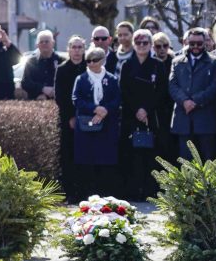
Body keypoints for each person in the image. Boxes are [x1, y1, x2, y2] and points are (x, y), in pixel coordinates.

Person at [169, 27, 216, 161]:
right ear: (187, 42)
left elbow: (215, 87)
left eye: (199, 43)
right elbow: (172, 85)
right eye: (192, 43)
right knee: (185, 161)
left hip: (205, 120)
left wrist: (194, 101)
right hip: (183, 118)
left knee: (207, 161)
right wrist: (184, 101)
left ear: (205, 43)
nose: (195, 46)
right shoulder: (177, 61)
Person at [119, 30, 162, 200]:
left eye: (145, 43)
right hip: (131, 115)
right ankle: (133, 191)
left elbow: (161, 91)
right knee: (132, 155)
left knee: (151, 154)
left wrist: (146, 109)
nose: (142, 46)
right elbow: (124, 90)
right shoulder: (127, 65)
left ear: (151, 44)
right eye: (138, 43)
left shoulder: (158, 65)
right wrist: (137, 109)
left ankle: (150, 191)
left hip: (151, 116)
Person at [72, 47, 121, 196]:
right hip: (87, 123)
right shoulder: (81, 78)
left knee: (105, 160)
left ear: (102, 60)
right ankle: (87, 194)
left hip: (107, 125)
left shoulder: (112, 79)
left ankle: (106, 195)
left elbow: (117, 98)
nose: (91, 64)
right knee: (87, 160)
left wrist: (104, 110)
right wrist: (94, 109)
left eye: (95, 60)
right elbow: (76, 99)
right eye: (88, 61)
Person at [55, 36, 86, 203]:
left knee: (84, 156)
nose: (77, 50)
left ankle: (83, 191)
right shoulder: (62, 69)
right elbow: (60, 96)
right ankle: (69, 193)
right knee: (67, 157)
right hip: (68, 120)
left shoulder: (88, 67)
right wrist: (70, 117)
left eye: (80, 47)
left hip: (86, 118)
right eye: (74, 47)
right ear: (68, 49)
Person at [151, 32, 177, 164]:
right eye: (158, 46)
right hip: (156, 108)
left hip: (172, 105)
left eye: (165, 45)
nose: (162, 49)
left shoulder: (174, 62)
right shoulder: (151, 63)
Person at [20, 30, 63, 100]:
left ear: (53, 43)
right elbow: (25, 83)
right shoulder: (31, 61)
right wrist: (42, 89)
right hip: (34, 103)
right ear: (37, 45)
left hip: (57, 101)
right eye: (41, 42)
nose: (44, 44)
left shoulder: (61, 61)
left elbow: (67, 82)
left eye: (46, 41)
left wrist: (54, 90)